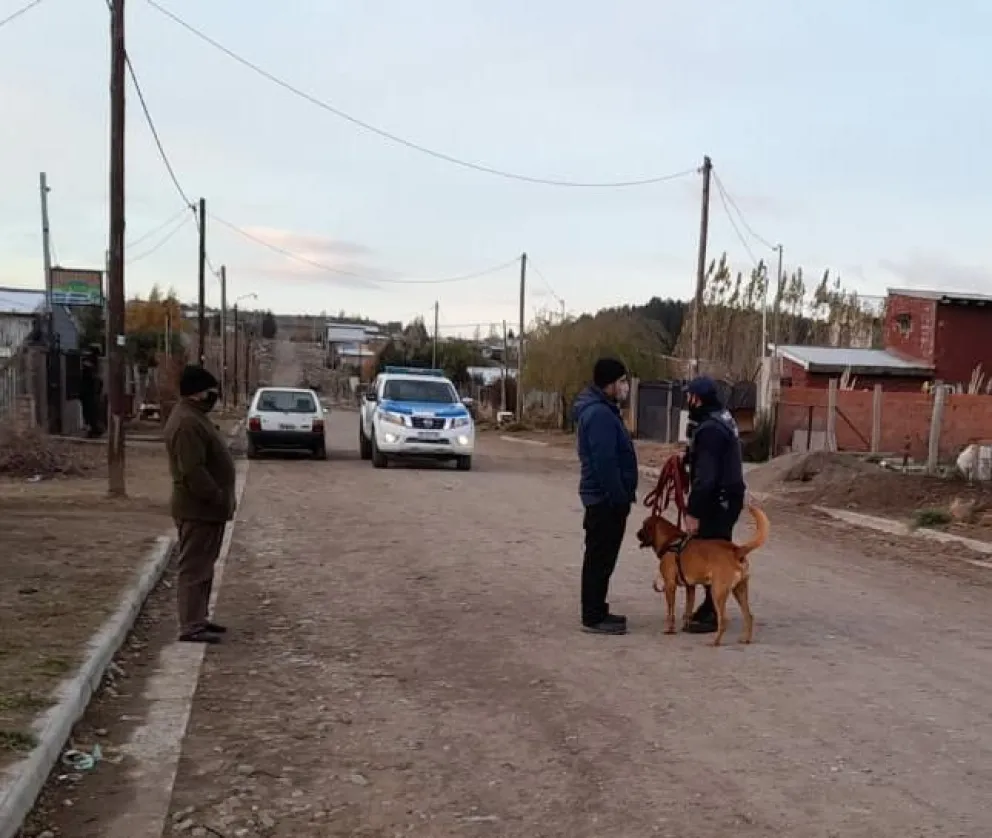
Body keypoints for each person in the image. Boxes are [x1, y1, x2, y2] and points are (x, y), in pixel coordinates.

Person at [163, 365, 237, 644]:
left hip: (206, 510)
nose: (214, 396)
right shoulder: (186, 423)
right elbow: (192, 470)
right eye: (210, 391)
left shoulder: (195, 417)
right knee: (194, 567)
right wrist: (214, 495)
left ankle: (198, 618)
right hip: (198, 509)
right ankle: (191, 625)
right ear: (196, 393)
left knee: (204, 566)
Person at [572, 358, 638, 635]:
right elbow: (605, 462)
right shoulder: (599, 415)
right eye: (622, 381)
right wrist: (619, 496)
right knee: (600, 557)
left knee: (603, 558)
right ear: (609, 384)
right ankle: (593, 616)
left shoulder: (604, 410)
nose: (625, 387)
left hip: (606, 498)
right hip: (605, 501)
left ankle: (598, 608)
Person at [681, 375, 747, 633]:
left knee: (713, 556)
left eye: (689, 396)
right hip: (728, 496)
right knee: (716, 550)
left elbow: (706, 478)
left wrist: (694, 511)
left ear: (697, 398)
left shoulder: (709, 429)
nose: (687, 401)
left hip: (717, 500)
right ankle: (710, 607)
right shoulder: (722, 418)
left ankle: (712, 612)